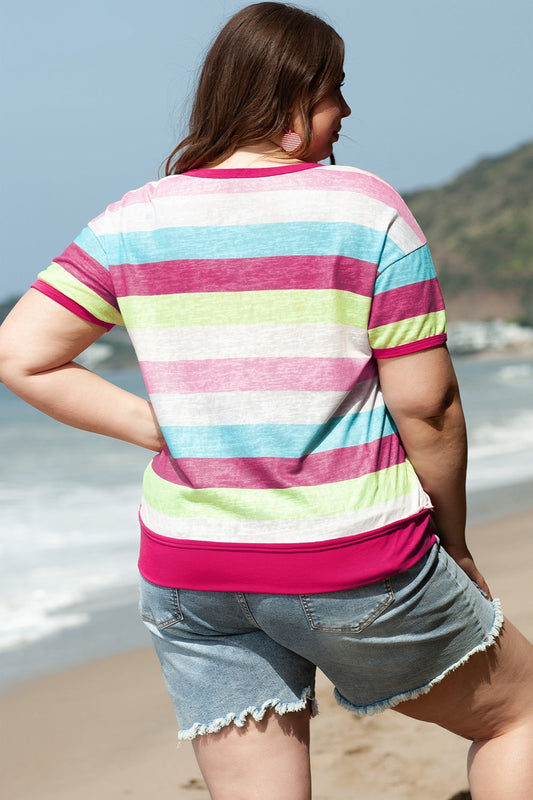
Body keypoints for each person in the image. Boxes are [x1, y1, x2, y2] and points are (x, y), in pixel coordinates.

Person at [0, 3, 532, 798]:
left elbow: (21, 355)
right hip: (350, 558)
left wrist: (173, 432)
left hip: (192, 570)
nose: (345, 112)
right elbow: (428, 407)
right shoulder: (364, 207)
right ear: (285, 100)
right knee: (516, 716)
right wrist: (452, 540)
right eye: (331, 93)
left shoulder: (133, 218)